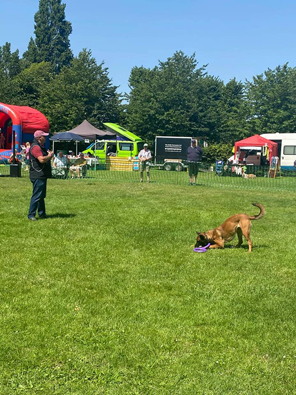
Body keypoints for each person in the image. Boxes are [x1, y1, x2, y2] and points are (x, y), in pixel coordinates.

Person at [28, 130, 54, 221]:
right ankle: (31, 215)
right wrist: (50, 156)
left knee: (41, 195)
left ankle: (42, 213)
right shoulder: (36, 147)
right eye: (44, 136)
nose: (45, 138)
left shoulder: (40, 146)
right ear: (39, 138)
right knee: (37, 195)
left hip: (41, 174)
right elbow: (42, 160)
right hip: (38, 175)